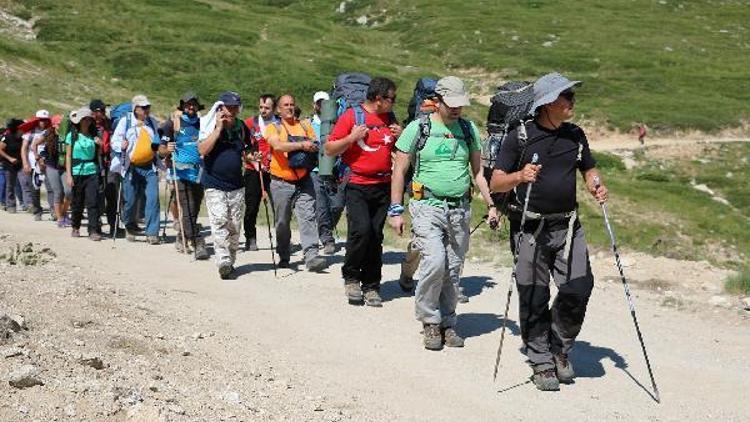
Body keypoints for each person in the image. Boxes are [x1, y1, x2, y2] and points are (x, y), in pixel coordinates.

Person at [490, 72, 607, 391]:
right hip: (529, 226)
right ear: (548, 103)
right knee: (534, 294)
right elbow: (496, 182)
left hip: (568, 225)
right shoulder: (520, 136)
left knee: (579, 287)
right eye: (567, 96)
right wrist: (520, 176)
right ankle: (541, 361)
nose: (572, 100)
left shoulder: (575, 135)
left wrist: (595, 184)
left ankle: (559, 347)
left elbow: (589, 167)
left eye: (571, 95)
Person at [390, 76, 495, 349]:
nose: (457, 109)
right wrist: (396, 209)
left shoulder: (469, 129)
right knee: (434, 262)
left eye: (461, 104)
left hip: (460, 208)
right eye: (452, 104)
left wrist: (491, 204)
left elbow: (478, 173)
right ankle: (430, 322)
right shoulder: (418, 128)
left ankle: (448, 322)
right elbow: (399, 170)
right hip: (427, 206)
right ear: (437, 101)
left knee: (452, 269)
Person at [326, 78, 402, 306]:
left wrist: (401, 134)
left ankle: (371, 285)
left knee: (375, 235)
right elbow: (329, 148)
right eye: (391, 98)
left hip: (383, 185)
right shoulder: (351, 116)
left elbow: (400, 150)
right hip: (357, 184)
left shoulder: (390, 118)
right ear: (378, 99)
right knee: (361, 231)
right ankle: (351, 277)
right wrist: (351, 138)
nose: (394, 102)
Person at [265, 94, 328, 271]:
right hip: (281, 182)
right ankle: (284, 254)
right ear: (278, 109)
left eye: (292, 104)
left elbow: (315, 143)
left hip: (304, 180)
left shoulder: (305, 125)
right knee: (282, 222)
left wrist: (312, 146)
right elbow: (278, 146)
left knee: (307, 217)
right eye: (285, 105)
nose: (290, 107)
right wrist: (301, 146)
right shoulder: (273, 128)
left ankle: (311, 256)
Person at [199, 91, 253, 278]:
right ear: (220, 107)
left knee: (235, 226)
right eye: (228, 107)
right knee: (219, 220)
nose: (231, 111)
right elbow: (203, 150)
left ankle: (230, 260)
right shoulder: (210, 125)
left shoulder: (241, 127)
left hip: (236, 184)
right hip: (214, 182)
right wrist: (218, 129)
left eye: (235, 107)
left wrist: (254, 157)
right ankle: (222, 260)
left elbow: (247, 151)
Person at [158, 91, 209, 259]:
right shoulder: (173, 124)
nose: (191, 107)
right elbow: (161, 150)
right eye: (188, 104)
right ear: (183, 106)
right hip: (179, 172)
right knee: (187, 207)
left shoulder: (203, 124)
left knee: (193, 209)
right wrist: (167, 150)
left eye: (193, 104)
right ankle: (198, 243)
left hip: (198, 172)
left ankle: (182, 235)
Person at [111, 94, 163, 244]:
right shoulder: (125, 121)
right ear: (136, 109)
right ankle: (129, 226)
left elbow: (156, 141)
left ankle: (152, 233)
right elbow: (115, 140)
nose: (147, 110)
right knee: (130, 201)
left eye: (148, 107)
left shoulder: (152, 122)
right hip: (131, 166)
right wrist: (120, 145)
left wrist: (161, 150)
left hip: (149, 167)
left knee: (153, 199)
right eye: (144, 107)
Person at [310, 91, 346, 255]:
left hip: (335, 170)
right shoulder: (308, 125)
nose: (322, 106)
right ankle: (327, 239)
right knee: (321, 206)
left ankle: (325, 229)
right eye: (319, 103)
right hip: (315, 171)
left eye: (325, 103)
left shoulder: (337, 124)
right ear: (314, 105)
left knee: (337, 205)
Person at [242, 94, 278, 251]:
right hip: (253, 170)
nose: (263, 110)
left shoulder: (280, 123)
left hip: (275, 171)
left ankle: (283, 239)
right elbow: (243, 148)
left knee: (280, 206)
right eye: (261, 107)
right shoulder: (249, 123)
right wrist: (253, 161)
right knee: (251, 207)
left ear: (274, 109)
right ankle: (250, 237)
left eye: (267, 108)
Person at [65, 107, 104, 240]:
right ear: (79, 121)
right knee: (77, 202)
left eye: (89, 119)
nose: (87, 122)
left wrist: (100, 146)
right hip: (77, 171)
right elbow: (68, 156)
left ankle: (93, 230)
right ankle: (75, 226)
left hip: (92, 170)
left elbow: (98, 155)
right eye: (85, 119)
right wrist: (69, 175)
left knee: (93, 202)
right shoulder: (72, 136)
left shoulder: (94, 136)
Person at [89, 99, 118, 237]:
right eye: (100, 110)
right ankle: (96, 224)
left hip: (109, 163)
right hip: (95, 163)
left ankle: (113, 225)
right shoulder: (88, 125)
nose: (103, 113)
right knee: (97, 194)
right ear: (94, 112)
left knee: (111, 192)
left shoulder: (109, 124)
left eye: (103, 110)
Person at [20, 110, 52, 221]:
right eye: (41, 120)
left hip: (48, 164)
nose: (43, 122)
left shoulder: (50, 131)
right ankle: (37, 211)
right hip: (33, 164)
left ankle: (53, 210)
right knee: (35, 188)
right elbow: (24, 149)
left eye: (45, 120)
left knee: (51, 187)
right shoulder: (30, 133)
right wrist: (25, 163)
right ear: (37, 120)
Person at [38, 127, 72, 227]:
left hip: (65, 167)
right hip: (52, 167)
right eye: (57, 123)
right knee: (58, 192)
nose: (60, 125)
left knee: (69, 192)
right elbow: (35, 145)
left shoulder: (69, 136)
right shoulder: (49, 135)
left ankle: (64, 213)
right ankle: (60, 218)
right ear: (54, 125)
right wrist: (40, 158)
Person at [0, 118, 25, 213]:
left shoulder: (23, 138)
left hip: (22, 164)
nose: (23, 130)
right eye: (21, 128)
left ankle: (26, 203)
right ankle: (11, 205)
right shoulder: (6, 137)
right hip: (9, 165)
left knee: (24, 184)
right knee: (10, 185)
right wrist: (10, 158)